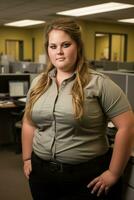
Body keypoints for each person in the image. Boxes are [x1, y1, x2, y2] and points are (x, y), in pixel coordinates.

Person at [22, 18, 134, 200]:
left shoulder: (99, 83)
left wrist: (114, 173)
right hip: (42, 174)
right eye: (53, 46)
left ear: (78, 46)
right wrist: (27, 158)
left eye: (65, 45)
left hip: (86, 177)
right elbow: (28, 122)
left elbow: (127, 126)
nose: (58, 52)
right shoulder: (38, 83)